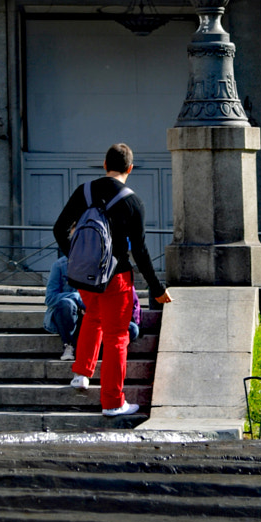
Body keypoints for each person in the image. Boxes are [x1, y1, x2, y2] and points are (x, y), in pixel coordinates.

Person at [53, 143, 171, 419]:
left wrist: (77, 257)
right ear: (130, 168)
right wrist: (156, 288)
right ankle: (112, 402)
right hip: (116, 277)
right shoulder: (133, 202)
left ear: (104, 164)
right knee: (117, 337)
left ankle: (81, 374)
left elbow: (59, 229)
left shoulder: (83, 191)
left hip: (84, 277)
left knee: (92, 317)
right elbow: (140, 251)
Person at [43, 252, 81, 360]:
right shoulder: (60, 265)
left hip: (88, 314)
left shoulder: (97, 264)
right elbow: (50, 298)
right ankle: (69, 345)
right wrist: (77, 298)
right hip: (65, 315)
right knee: (67, 304)